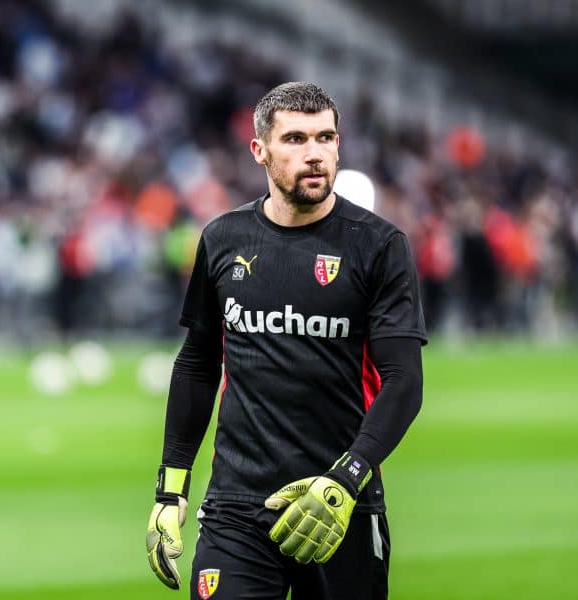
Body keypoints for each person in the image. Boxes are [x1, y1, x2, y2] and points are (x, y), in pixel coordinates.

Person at [146, 82, 426, 600]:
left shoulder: (380, 246)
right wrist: (171, 488)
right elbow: (197, 365)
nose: (315, 153)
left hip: (340, 506)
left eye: (326, 138)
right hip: (236, 509)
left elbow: (404, 381)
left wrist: (347, 479)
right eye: (295, 139)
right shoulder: (223, 238)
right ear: (260, 150)